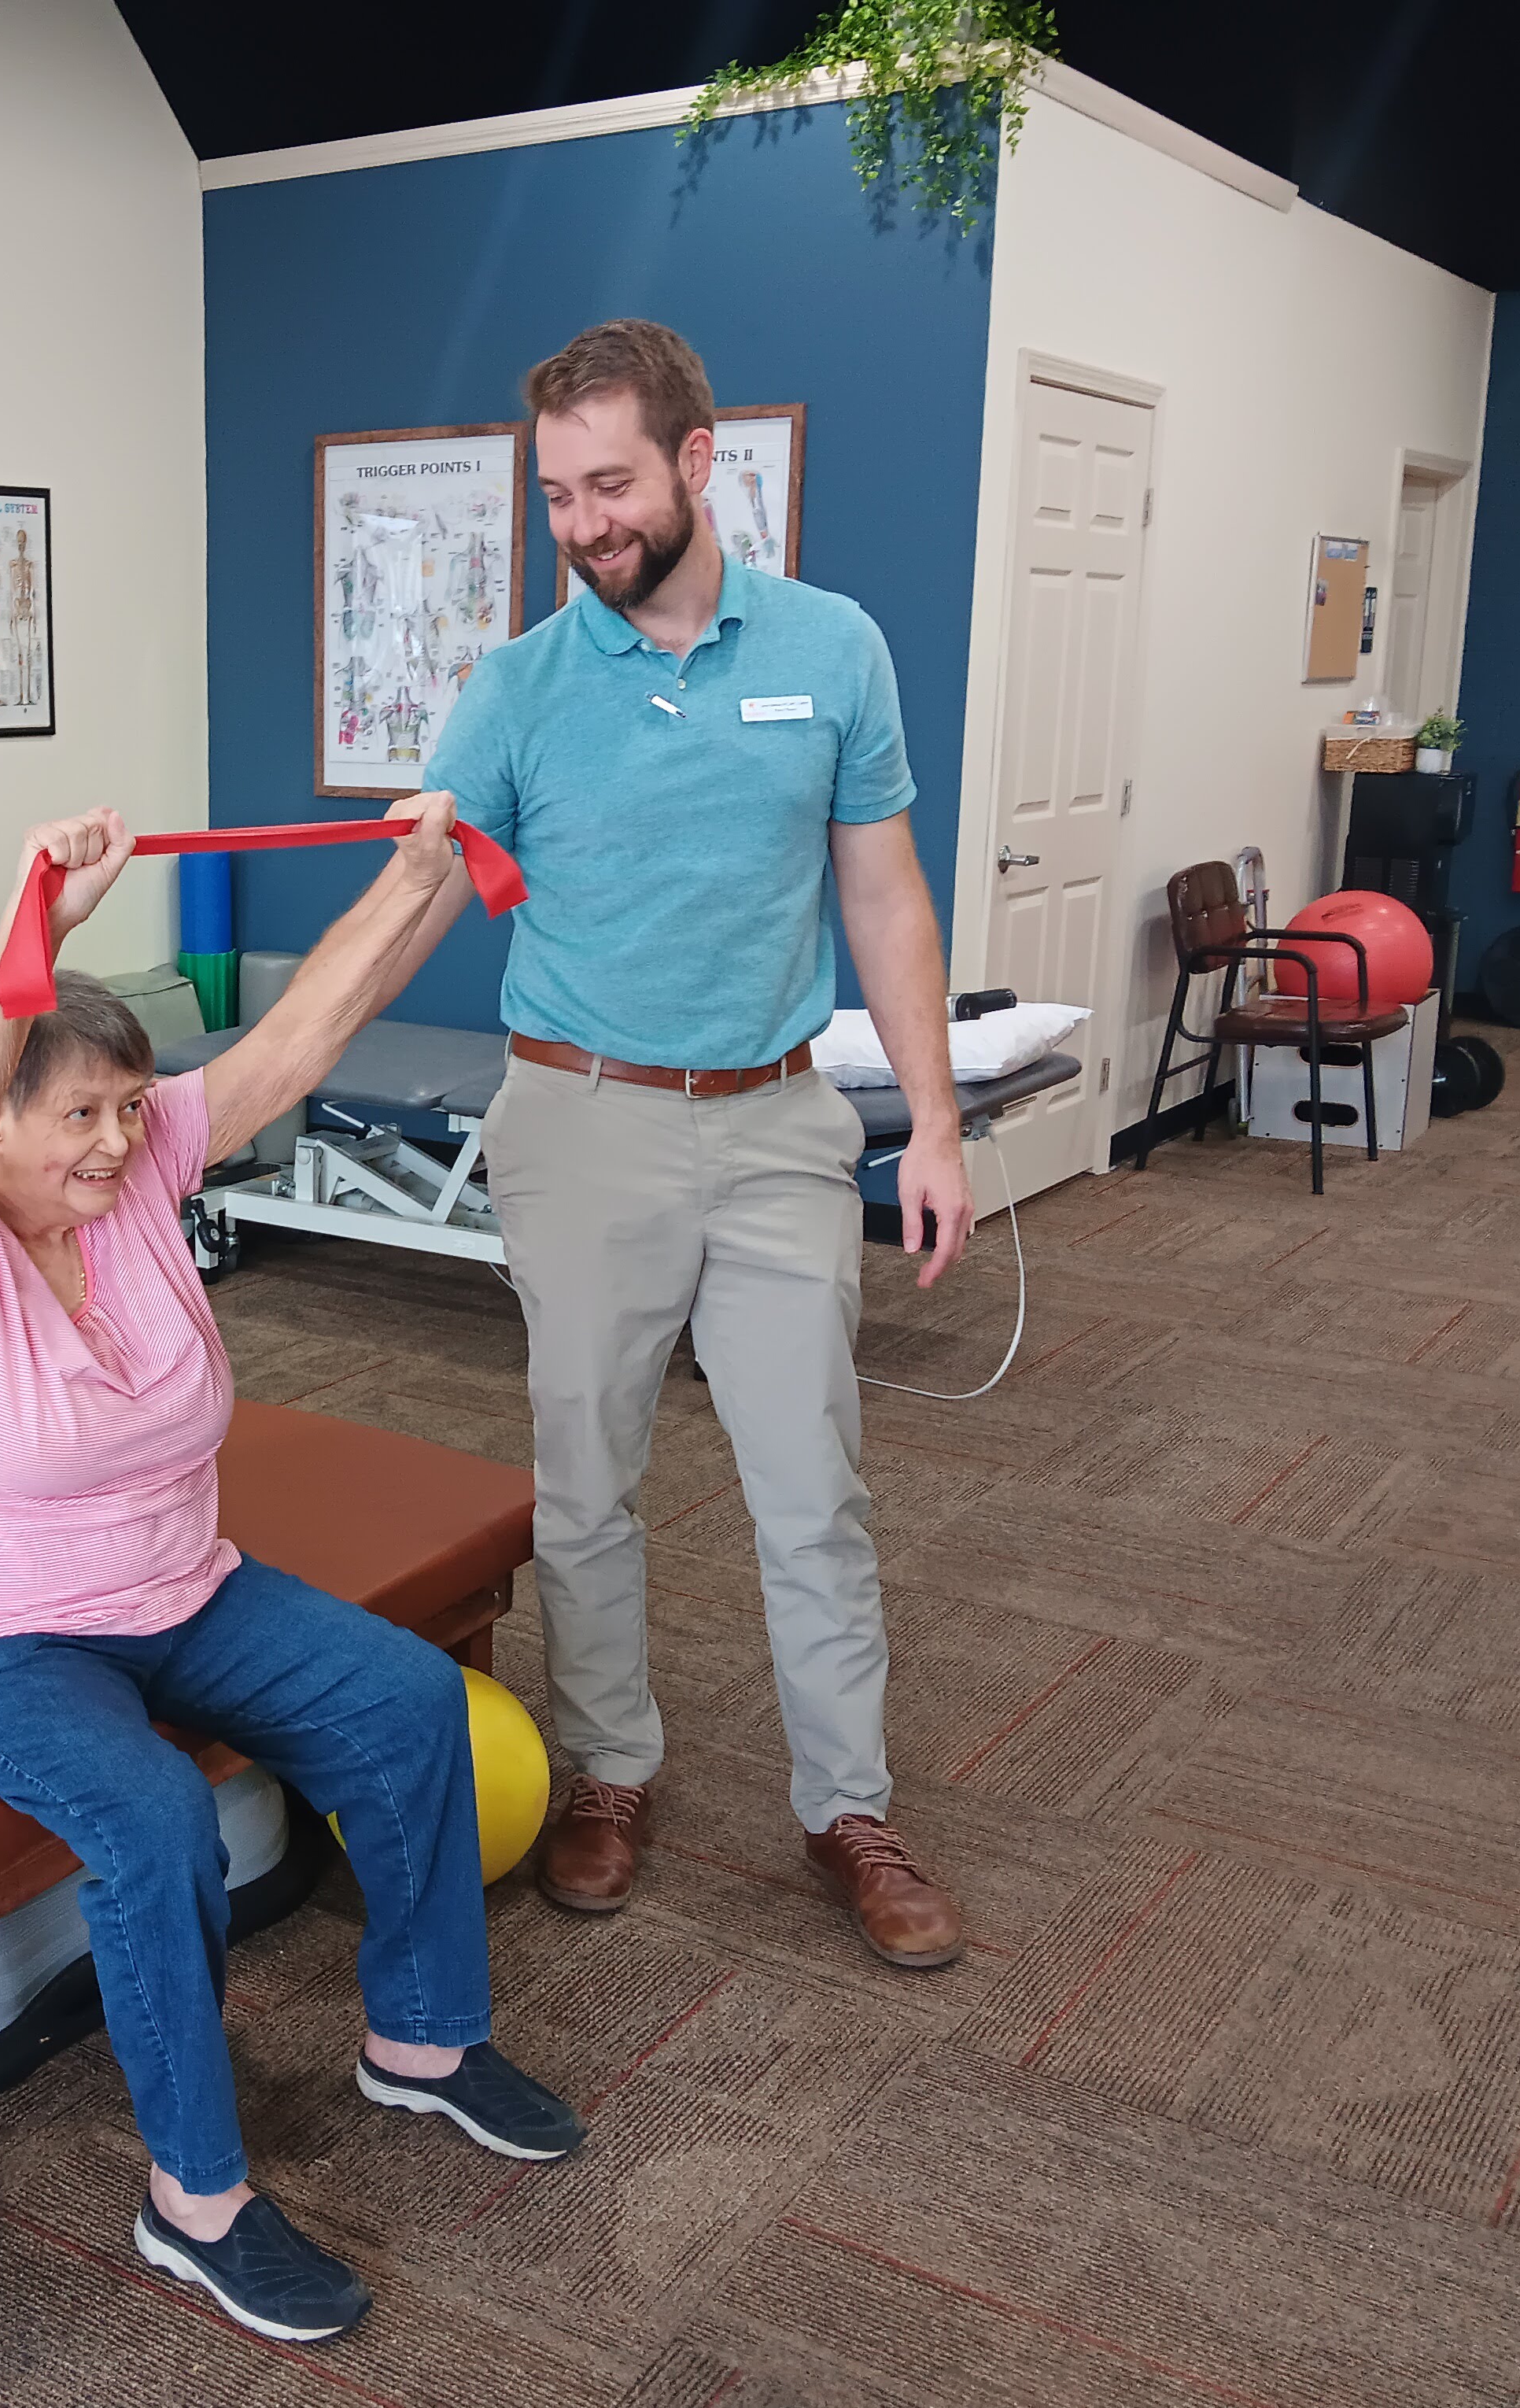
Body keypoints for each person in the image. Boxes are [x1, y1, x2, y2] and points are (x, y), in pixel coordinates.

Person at [0, 801, 582, 2345]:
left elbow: (306, 1033)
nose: (117, 1140)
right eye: (79, 1117)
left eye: (128, 1108)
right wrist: (42, 909)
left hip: (174, 1587)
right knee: (156, 1819)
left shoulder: (147, 1168)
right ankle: (197, 2202)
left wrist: (423, 872)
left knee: (407, 1701)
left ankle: (423, 2042)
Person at [420, 318, 980, 1966]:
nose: (584, 523)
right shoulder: (514, 687)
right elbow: (422, 890)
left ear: (695, 459)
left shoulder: (834, 648)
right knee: (584, 1480)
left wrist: (932, 1123)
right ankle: (609, 1771)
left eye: (610, 484)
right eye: (556, 496)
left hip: (779, 1120)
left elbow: (881, 889)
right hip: (579, 1119)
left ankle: (849, 1808)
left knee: (813, 1488)